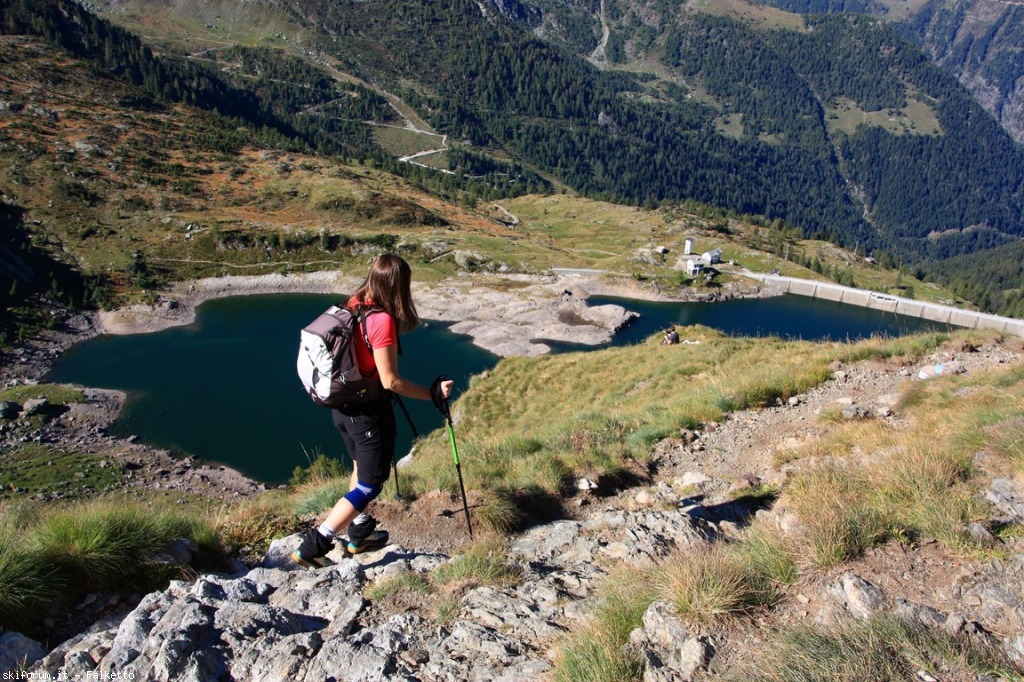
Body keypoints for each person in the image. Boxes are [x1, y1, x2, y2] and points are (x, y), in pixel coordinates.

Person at [293, 254, 453, 567]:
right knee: (369, 484)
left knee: (358, 466)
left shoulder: (350, 304)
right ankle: (315, 545)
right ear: (400, 286)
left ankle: (360, 532)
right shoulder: (381, 320)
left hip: (342, 409)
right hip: (367, 415)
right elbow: (391, 381)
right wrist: (433, 394)